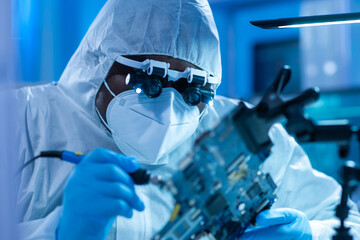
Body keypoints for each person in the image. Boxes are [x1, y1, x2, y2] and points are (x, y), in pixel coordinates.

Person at [14, 0, 360, 239]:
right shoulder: (22, 121)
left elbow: (350, 224)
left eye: (193, 91)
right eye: (146, 82)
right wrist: (57, 233)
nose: (168, 108)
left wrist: (308, 235)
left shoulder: (242, 131)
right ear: (98, 65)